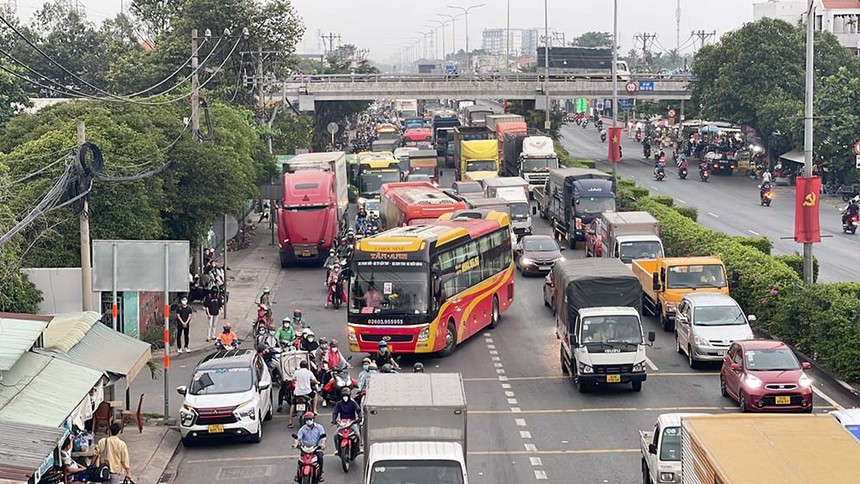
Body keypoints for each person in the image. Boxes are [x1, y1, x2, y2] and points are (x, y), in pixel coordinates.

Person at [294, 411, 326, 479]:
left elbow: (323, 437)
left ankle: (319, 475)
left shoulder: (319, 427)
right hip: (305, 449)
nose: (309, 421)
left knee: (320, 457)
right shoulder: (302, 429)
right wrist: (296, 444)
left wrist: (323, 444)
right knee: (300, 461)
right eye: (307, 419)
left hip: (316, 448)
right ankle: (298, 475)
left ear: (313, 419)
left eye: (310, 419)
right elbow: (298, 438)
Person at [289, 360, 320, 427]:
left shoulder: (296, 372)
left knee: (293, 404)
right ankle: (314, 409)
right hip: (307, 392)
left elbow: (293, 379)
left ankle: (290, 421)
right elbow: (314, 380)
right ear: (307, 366)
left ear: (300, 366)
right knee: (315, 394)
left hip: (298, 393)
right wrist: (317, 382)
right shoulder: (309, 372)